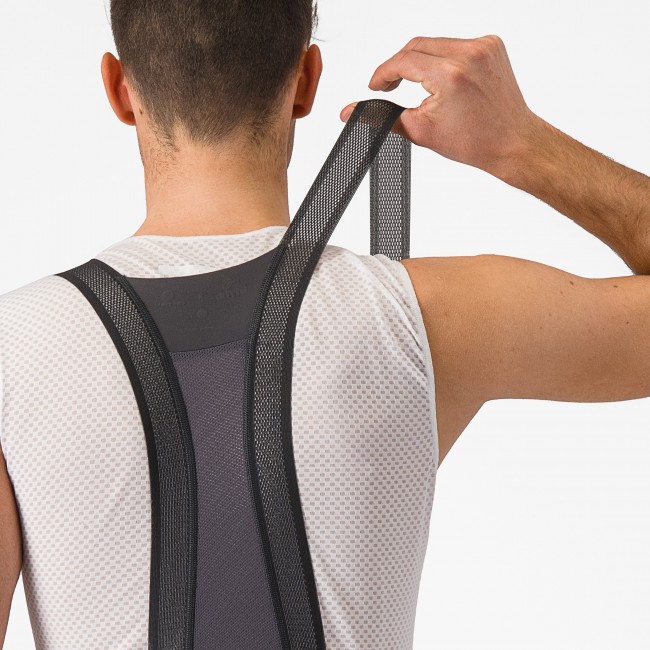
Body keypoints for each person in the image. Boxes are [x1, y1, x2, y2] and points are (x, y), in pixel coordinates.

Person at [1, 2, 650, 648]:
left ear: (119, 88)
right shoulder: (425, 315)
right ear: (308, 79)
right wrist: (523, 145)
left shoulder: (13, 345)